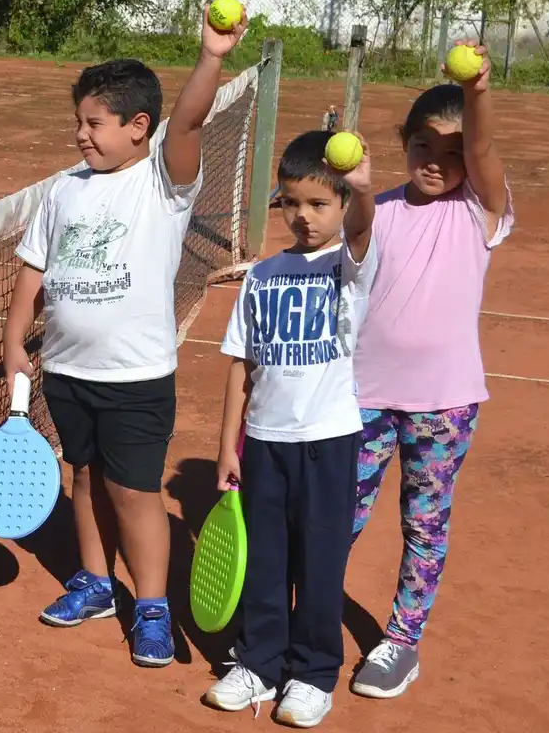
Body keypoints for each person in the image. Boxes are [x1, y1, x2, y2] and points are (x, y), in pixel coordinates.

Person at [2, 8, 247, 666]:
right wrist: (13, 347)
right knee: (83, 474)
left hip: (135, 377)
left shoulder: (163, 184)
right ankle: (94, 581)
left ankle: (152, 607)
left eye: (94, 123)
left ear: (139, 128)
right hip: (68, 371)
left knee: (134, 492)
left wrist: (211, 57)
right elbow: (33, 272)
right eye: (78, 122)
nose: (81, 134)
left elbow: (190, 120)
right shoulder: (63, 191)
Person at [346, 45, 513, 699]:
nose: (436, 164)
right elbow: (333, 248)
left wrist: (475, 91)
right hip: (362, 398)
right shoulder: (377, 211)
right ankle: (301, 617)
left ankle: (401, 642)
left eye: (452, 154)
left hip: (443, 405)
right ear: (403, 145)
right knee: (337, 514)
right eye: (421, 147)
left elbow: (484, 152)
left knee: (425, 522)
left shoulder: (480, 210)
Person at [204, 130, 376, 727]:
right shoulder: (262, 274)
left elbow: (362, 229)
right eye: (291, 202)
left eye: (319, 204)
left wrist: (362, 189)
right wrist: (230, 444)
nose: (303, 216)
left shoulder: (349, 264)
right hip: (265, 443)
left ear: (342, 205)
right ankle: (258, 663)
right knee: (266, 559)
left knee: (320, 560)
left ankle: (313, 674)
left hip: (329, 440)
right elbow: (241, 368)